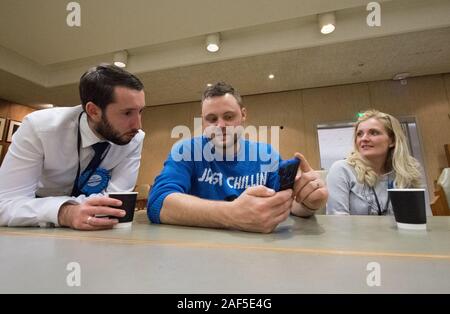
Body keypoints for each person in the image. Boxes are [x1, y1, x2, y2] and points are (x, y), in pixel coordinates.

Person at [148, 82, 328, 233]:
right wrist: (232, 214)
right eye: (211, 119)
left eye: (228, 116)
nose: (220, 125)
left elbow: (286, 204)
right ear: (202, 121)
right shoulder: (186, 151)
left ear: (243, 115)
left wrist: (308, 203)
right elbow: (158, 202)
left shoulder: (266, 155)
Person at [0, 64, 146, 230]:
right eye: (127, 113)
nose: (138, 125)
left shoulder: (133, 138)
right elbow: (5, 204)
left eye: (140, 111)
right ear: (94, 111)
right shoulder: (39, 128)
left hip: (90, 233)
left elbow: (115, 205)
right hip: (31, 226)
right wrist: (65, 213)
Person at [326, 109, 426, 215]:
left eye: (373, 133)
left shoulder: (406, 173)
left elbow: (412, 219)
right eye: (359, 134)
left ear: (392, 140)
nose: (364, 138)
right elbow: (338, 222)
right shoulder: (342, 170)